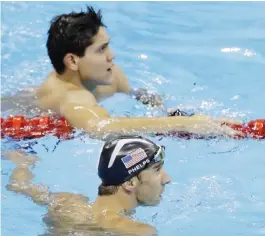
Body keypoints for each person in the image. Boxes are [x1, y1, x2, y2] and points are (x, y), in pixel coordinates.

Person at [1, 6, 242, 139]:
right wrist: (185, 124)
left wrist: (176, 114)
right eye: (102, 49)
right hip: (15, 129)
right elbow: (101, 127)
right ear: (73, 60)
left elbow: (137, 93)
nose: (111, 56)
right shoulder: (72, 97)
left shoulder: (108, 73)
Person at [4, 135, 171, 235]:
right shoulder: (137, 232)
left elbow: (18, 185)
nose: (167, 179)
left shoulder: (66, 203)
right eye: (157, 170)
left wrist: (22, 164)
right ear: (129, 182)